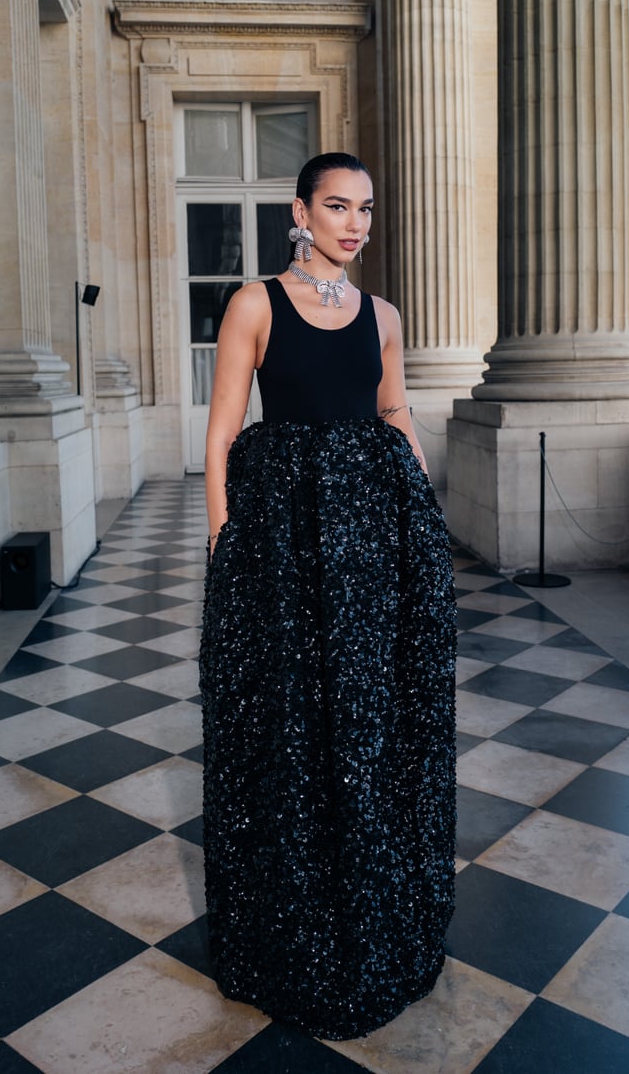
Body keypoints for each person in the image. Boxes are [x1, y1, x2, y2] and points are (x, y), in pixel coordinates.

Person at [199, 152, 457, 1041]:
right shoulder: (255, 304)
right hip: (286, 542)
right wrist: (224, 545)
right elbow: (224, 432)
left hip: (374, 541)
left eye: (366, 210)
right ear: (299, 212)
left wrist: (420, 524)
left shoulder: (382, 314)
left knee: (369, 724)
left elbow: (395, 416)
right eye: (337, 207)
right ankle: (297, 933)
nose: (354, 224)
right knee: (295, 725)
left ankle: (372, 914)